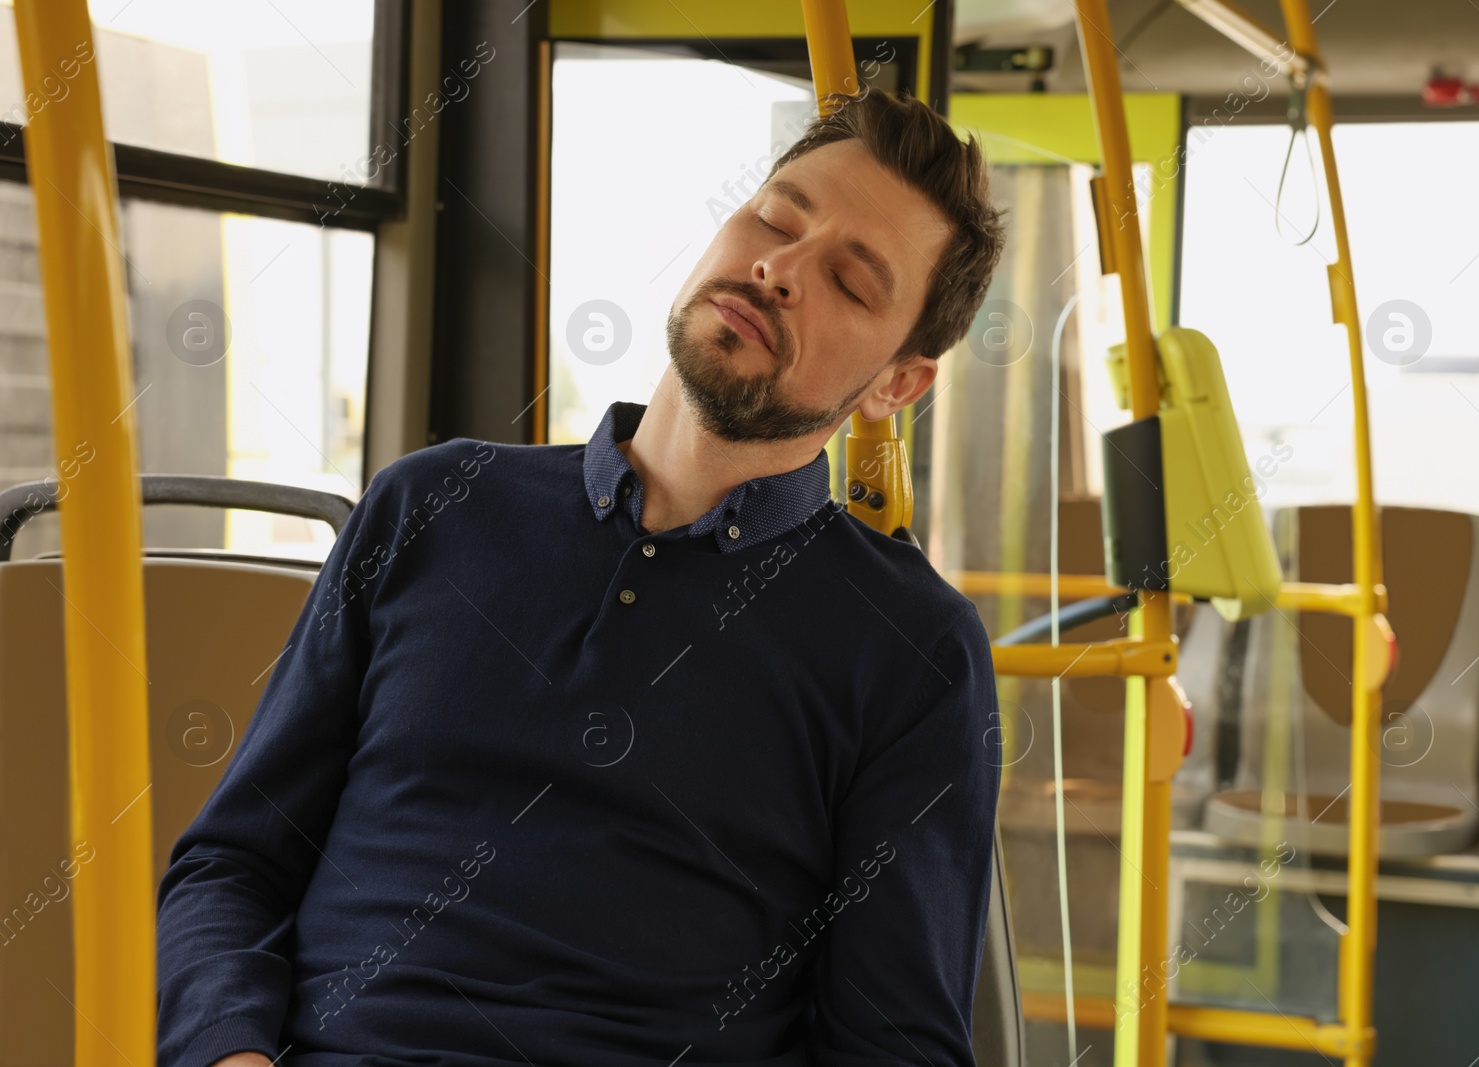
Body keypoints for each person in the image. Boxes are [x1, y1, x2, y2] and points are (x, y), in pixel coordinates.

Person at [158, 85, 1008, 1067]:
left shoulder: (909, 646)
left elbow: (894, 1045)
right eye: (773, 218)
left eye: (851, 283)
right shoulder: (433, 505)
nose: (778, 268)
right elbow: (232, 865)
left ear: (897, 383)